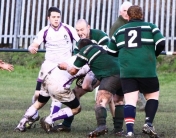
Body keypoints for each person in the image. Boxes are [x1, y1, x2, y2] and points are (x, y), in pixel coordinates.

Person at [52, 19, 124, 136]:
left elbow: (78, 66)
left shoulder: (100, 37)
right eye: (77, 30)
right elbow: (79, 60)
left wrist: (66, 67)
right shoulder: (80, 43)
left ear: (88, 27)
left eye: (82, 29)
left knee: (102, 99)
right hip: (118, 69)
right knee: (116, 99)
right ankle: (67, 125)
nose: (80, 32)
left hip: (105, 70)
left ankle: (103, 126)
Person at [17, 6, 80, 130]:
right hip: (47, 66)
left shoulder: (68, 29)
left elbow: (81, 42)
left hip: (62, 67)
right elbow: (33, 45)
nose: (56, 19)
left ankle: (50, 120)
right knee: (37, 95)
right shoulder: (44, 31)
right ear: (48, 18)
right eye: (54, 17)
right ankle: (33, 116)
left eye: (58, 17)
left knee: (56, 96)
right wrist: (32, 48)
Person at [108, 5, 165, 138]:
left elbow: (110, 51)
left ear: (128, 16)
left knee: (130, 101)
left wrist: (123, 55)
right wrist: (154, 54)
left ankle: (129, 131)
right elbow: (161, 43)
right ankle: (148, 123)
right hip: (147, 69)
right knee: (152, 96)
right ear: (142, 15)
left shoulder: (119, 31)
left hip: (127, 70)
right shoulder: (151, 27)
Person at [14, 56, 90, 132]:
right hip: (58, 85)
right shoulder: (90, 65)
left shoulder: (77, 56)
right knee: (76, 108)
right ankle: (49, 120)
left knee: (39, 103)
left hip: (48, 77)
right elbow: (85, 86)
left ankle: (21, 125)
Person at [109, 0, 146, 111]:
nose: (126, 13)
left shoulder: (129, 24)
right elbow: (113, 44)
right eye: (124, 10)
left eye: (128, 11)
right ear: (120, 12)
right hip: (122, 61)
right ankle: (138, 102)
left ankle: (137, 101)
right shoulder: (118, 25)